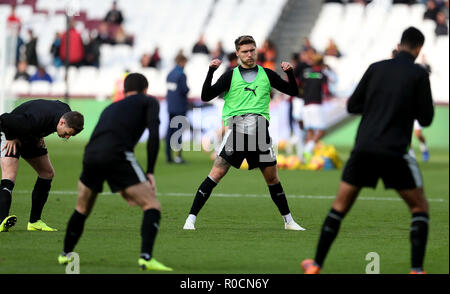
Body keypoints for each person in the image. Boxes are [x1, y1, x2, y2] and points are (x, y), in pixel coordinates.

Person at [301, 27, 434, 274]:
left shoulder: (376, 68)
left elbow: (352, 105)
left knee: (339, 207)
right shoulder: (418, 74)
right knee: (419, 208)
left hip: (364, 148)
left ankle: (316, 264)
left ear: (399, 44)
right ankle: (416, 270)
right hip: (395, 151)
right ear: (418, 49)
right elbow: (426, 119)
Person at [183, 35, 305, 231]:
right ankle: (190, 219)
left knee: (273, 179)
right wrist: (210, 71)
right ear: (238, 54)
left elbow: (293, 91)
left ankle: (289, 222)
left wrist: (290, 73)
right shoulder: (230, 76)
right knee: (216, 173)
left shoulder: (268, 74)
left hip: (260, 133)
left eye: (252, 50)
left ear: (256, 51)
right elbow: (206, 95)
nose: (249, 54)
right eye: (245, 51)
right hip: (238, 131)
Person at [57, 73, 172, 271]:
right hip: (117, 155)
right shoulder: (149, 101)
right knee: (152, 205)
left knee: (82, 208)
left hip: (91, 154)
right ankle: (146, 257)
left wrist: (119, 181)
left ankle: (65, 254)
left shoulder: (110, 107)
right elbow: (154, 136)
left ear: (124, 90)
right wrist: (150, 171)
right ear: (146, 89)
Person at [0, 100, 84, 233]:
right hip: (10, 132)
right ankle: (1, 220)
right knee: (9, 175)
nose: (67, 137)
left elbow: (51, 112)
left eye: (70, 135)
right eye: (68, 133)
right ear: (62, 123)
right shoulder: (33, 121)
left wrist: (40, 134)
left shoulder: (66, 111)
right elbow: (4, 119)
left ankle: (34, 222)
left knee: (47, 173)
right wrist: (10, 137)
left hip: (32, 135)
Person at [299, 54, 330, 160]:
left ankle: (306, 158)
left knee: (310, 131)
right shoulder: (322, 75)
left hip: (305, 105)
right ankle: (308, 149)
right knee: (322, 130)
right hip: (316, 105)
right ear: (321, 63)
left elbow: (298, 83)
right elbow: (326, 90)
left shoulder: (306, 73)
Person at [165, 53, 189, 164]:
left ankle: (168, 155)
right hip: (180, 107)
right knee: (178, 132)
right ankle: (177, 156)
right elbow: (184, 90)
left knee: (170, 131)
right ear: (182, 62)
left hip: (171, 106)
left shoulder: (170, 74)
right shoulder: (181, 75)